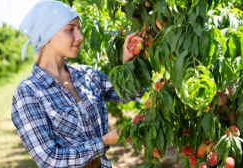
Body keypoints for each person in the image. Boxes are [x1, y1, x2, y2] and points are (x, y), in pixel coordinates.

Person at [11, 1, 145, 168]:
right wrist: (105, 141)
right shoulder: (29, 92)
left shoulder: (86, 75)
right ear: (48, 34)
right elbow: (49, 159)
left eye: (79, 29)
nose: (80, 36)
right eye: (70, 29)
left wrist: (130, 64)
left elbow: (130, 93)